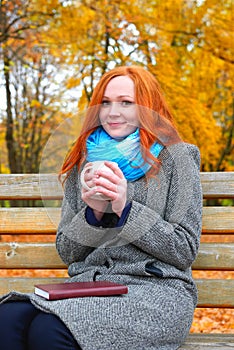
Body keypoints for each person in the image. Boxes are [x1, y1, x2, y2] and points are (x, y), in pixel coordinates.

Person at [0, 65, 202, 350]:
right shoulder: (83, 163)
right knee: (6, 319)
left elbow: (184, 249)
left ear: (148, 107)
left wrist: (125, 207)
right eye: (105, 102)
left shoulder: (177, 158)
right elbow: (68, 252)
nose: (112, 112)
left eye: (126, 103)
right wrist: (92, 214)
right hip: (89, 286)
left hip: (156, 291)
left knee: (49, 332)